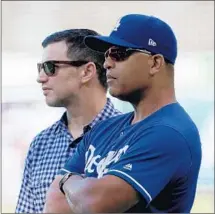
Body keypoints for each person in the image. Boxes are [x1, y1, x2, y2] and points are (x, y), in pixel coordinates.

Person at [43, 14, 202, 213]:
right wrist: (80, 190)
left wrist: (68, 179)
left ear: (155, 63)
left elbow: (95, 203)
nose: (107, 63)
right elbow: (55, 205)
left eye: (119, 54)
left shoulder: (170, 133)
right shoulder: (103, 128)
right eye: (106, 55)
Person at [15, 29, 121, 213]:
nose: (40, 78)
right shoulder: (41, 144)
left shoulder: (131, 135)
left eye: (50, 67)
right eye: (40, 68)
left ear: (87, 71)